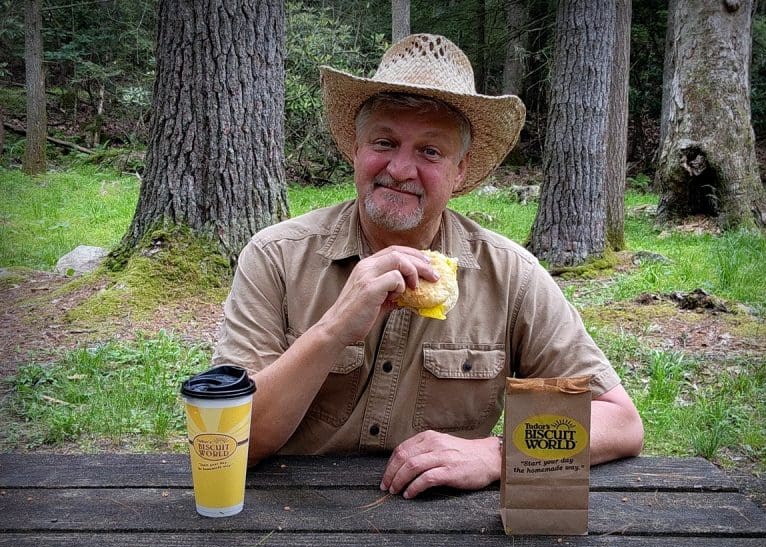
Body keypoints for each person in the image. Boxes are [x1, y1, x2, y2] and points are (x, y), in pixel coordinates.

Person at [212, 33, 644, 499]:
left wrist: (496, 454)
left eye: (430, 151)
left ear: (461, 171)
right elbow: (232, 438)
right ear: (356, 150)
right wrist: (334, 328)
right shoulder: (276, 256)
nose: (400, 169)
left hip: (445, 519)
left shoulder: (510, 275)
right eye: (384, 142)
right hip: (287, 514)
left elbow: (619, 421)